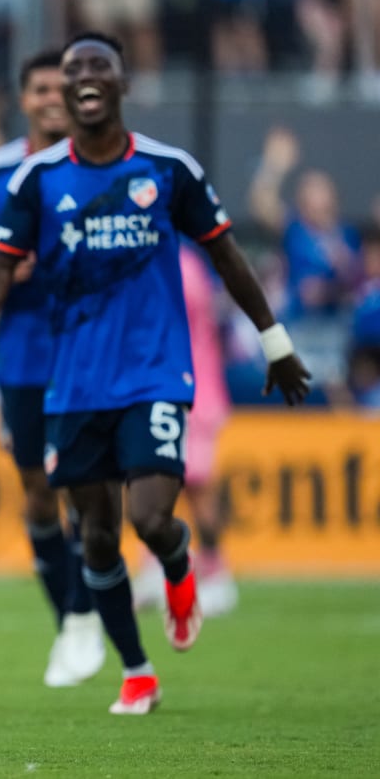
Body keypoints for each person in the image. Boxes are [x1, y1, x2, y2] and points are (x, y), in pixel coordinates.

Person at [0, 32, 311, 716]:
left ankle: (176, 560)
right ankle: (137, 669)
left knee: (149, 515)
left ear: (122, 83)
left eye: (97, 67)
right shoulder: (35, 180)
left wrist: (275, 341)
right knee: (98, 534)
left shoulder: (169, 169)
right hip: (71, 381)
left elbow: (227, 256)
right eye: (72, 67)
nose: (83, 78)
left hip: (154, 369)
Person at [0, 50, 104, 687]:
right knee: (40, 495)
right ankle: (70, 619)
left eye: (62, 86)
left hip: (90, 350)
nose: (53, 97)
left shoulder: (106, 163)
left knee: (91, 487)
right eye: (41, 87)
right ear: (25, 98)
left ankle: (83, 618)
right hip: (21, 354)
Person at [134, 244, 238, 617]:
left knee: (197, 488)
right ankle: (154, 568)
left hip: (192, 391)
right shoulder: (161, 259)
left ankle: (215, 573)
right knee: (154, 483)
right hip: (162, 391)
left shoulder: (184, 264)